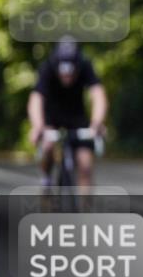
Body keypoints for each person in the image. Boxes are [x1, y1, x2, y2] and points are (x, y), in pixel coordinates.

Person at [27, 37, 108, 187]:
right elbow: (36, 98)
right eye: (63, 71)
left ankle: (86, 209)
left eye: (71, 72)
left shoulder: (84, 65)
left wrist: (97, 122)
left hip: (77, 118)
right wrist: (38, 126)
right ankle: (46, 178)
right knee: (48, 147)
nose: (67, 76)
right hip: (51, 118)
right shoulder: (48, 67)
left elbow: (98, 94)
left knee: (85, 165)